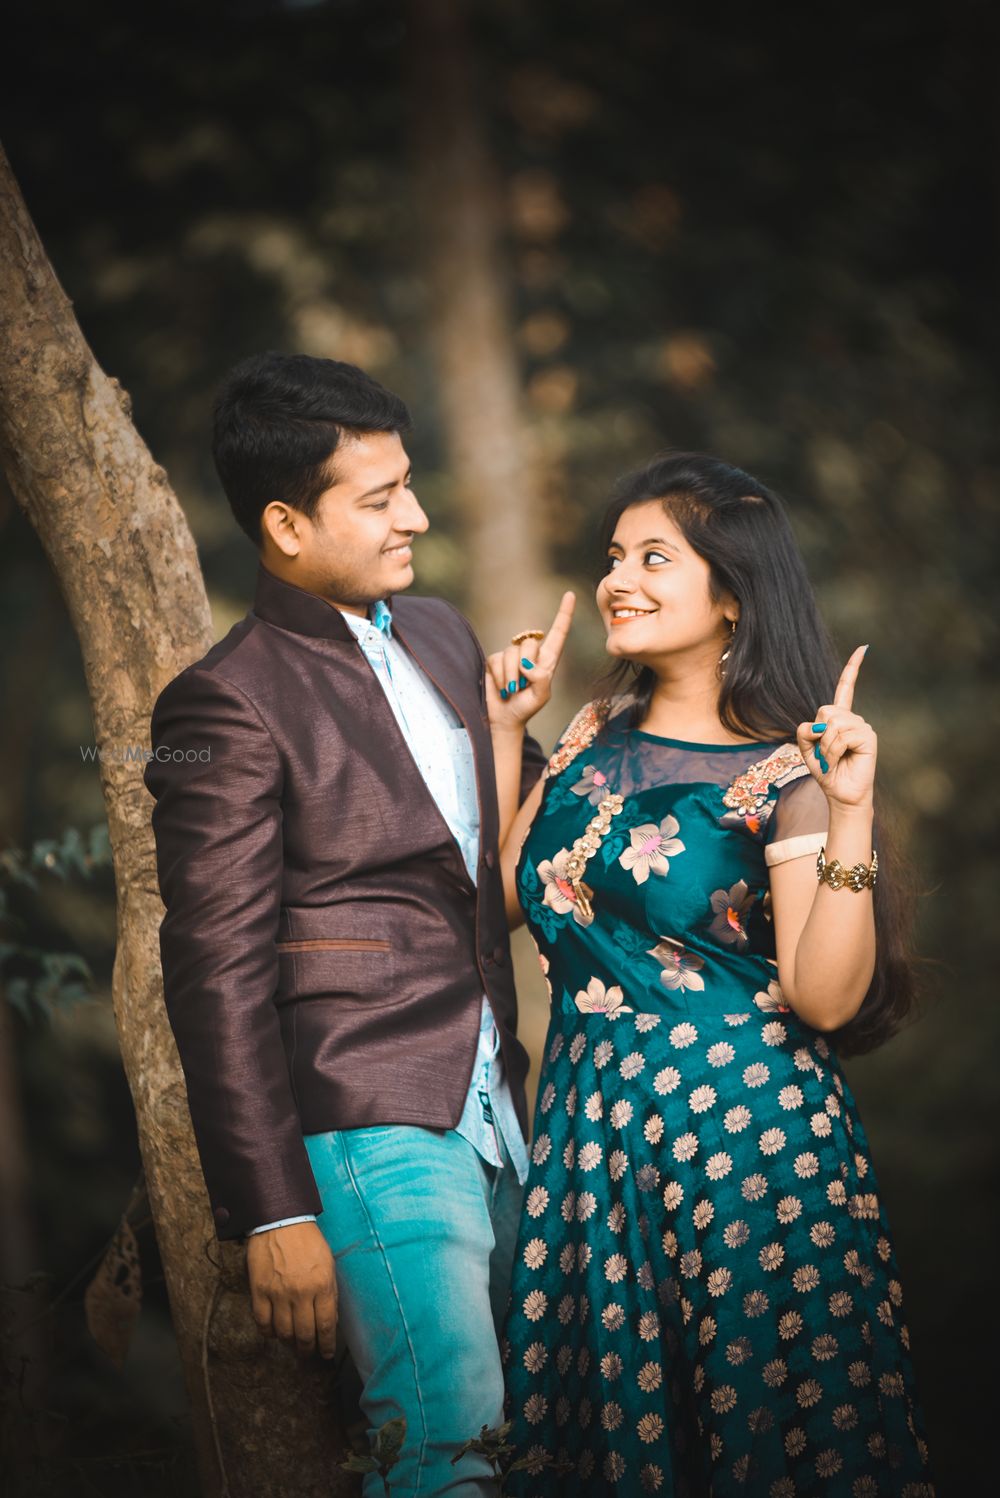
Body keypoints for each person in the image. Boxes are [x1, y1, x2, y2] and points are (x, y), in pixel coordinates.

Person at [143, 352, 566, 1496]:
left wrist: (511, 733)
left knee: (527, 1447)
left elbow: (476, 869)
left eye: (408, 484)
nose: (414, 517)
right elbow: (215, 970)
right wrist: (271, 1208)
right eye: (379, 500)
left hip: (498, 1098)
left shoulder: (439, 633)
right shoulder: (225, 699)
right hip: (367, 1115)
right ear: (285, 524)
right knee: (445, 1444)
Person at [488, 454, 933, 1495]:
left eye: (654, 558)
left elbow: (824, 998)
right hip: (592, 1138)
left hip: (744, 1142)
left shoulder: (789, 773)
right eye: (614, 557)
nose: (617, 580)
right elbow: (502, 897)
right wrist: (508, 732)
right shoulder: (591, 737)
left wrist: (851, 811)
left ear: (732, 594)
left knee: (770, 1446)